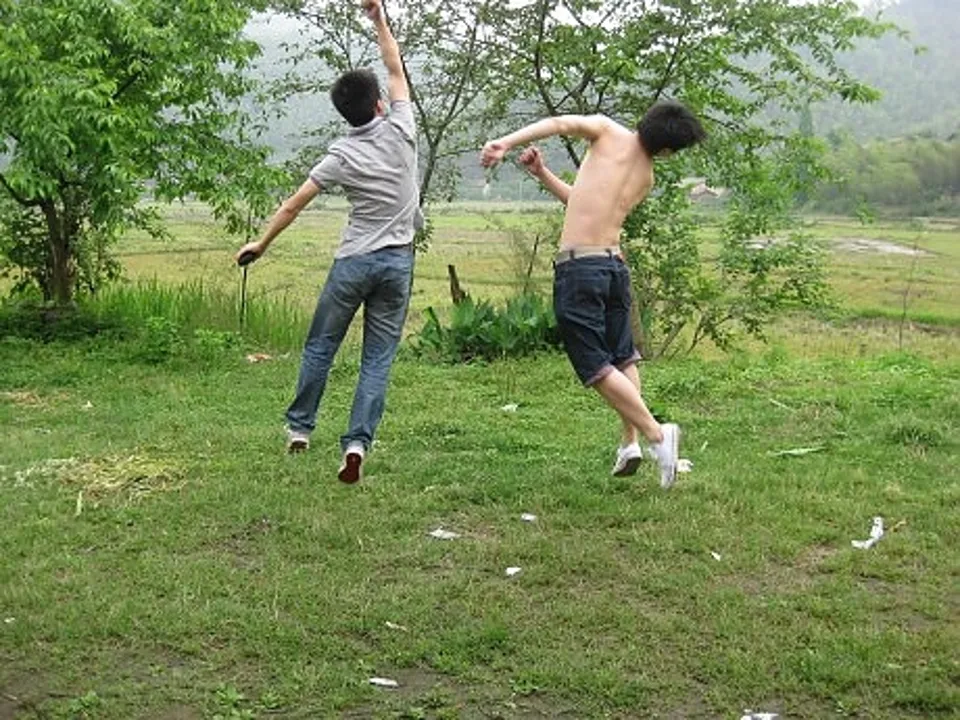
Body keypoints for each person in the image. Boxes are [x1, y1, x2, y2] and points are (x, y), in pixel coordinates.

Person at [235, 0, 421, 484]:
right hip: (397, 264)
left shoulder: (340, 155)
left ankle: (300, 429)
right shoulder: (402, 128)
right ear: (379, 105)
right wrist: (379, 19)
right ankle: (356, 444)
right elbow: (395, 67)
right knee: (376, 359)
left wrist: (262, 244)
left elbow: (294, 204)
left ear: (345, 114)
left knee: (321, 346)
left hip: (353, 262)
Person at [480, 103, 706, 487]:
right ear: (667, 150)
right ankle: (629, 443)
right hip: (613, 267)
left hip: (580, 269)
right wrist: (543, 173)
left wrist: (505, 142)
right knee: (622, 356)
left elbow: (558, 123)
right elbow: (585, 204)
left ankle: (656, 434)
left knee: (593, 364)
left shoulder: (605, 130)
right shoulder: (646, 176)